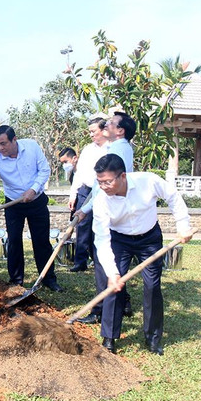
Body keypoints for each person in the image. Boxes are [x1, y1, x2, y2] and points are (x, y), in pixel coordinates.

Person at [91, 154, 193, 355]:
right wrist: (112, 272)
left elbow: (173, 196)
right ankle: (109, 337)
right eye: (99, 182)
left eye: (108, 181)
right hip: (119, 240)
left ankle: (153, 339)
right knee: (113, 286)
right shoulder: (101, 200)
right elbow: (102, 239)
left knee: (152, 286)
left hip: (149, 239)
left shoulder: (148, 181)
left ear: (123, 176)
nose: (103, 186)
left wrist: (183, 226)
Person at [0, 125, 62, 291]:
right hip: (13, 204)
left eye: (3, 143)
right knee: (14, 242)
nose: (0, 148)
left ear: (14, 139)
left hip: (37, 201)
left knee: (41, 241)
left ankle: (49, 279)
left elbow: (44, 170)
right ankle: (16, 281)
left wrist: (33, 189)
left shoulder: (32, 147)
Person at [74, 111, 136, 323]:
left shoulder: (118, 149)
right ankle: (123, 301)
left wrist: (85, 209)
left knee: (103, 259)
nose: (105, 125)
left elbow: (103, 188)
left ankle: (100, 309)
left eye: (110, 123)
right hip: (112, 207)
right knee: (113, 260)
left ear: (120, 130)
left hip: (110, 209)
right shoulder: (118, 148)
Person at [65, 116, 108, 273]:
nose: (91, 135)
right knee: (82, 225)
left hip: (104, 192)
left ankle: (99, 262)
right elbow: (79, 173)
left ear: (104, 130)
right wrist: (73, 194)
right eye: (89, 132)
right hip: (85, 190)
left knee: (100, 227)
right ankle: (80, 261)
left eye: (93, 131)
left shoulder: (111, 149)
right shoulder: (88, 149)